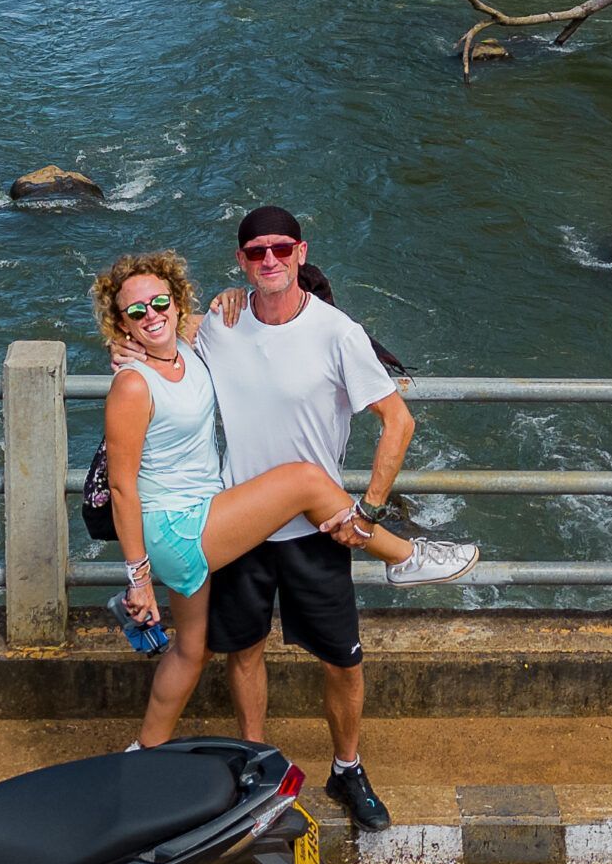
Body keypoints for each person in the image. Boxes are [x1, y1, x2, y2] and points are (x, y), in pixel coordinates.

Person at [95, 248, 446, 750]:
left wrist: (233, 297)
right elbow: (122, 487)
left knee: (191, 651)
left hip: (202, 515)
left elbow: (234, 325)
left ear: (176, 302)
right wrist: (139, 579)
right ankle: (405, 556)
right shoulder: (133, 383)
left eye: (159, 302)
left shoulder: (186, 347)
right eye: (135, 311)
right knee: (305, 481)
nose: (151, 314)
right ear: (121, 323)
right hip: (178, 528)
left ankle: (143, 753)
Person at [198, 204, 476, 830]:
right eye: (256, 252)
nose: (269, 259)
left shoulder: (338, 333)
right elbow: (152, 330)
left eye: (281, 248)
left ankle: (347, 768)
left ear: (301, 253)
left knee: (343, 662)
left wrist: (368, 511)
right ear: (240, 261)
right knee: (243, 653)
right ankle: (255, 766)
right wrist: (127, 346)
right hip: (242, 523)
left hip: (320, 529)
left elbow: (398, 421)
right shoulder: (219, 323)